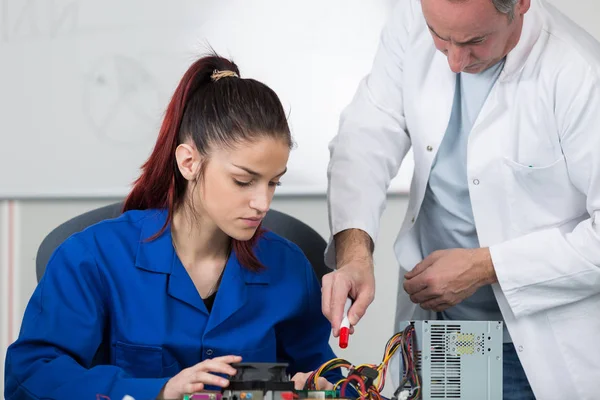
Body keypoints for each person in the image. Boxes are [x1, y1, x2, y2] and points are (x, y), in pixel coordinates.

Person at [5, 54, 337, 400]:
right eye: (243, 181)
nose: (262, 203)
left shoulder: (288, 268)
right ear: (189, 162)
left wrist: (315, 388)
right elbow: (30, 376)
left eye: (273, 183)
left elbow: (323, 372)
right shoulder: (91, 258)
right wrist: (160, 390)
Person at [321, 0, 600, 398]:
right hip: (450, 335)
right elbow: (368, 133)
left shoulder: (581, 74)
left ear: (519, 5)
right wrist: (354, 254)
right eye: (440, 37)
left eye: (474, 41)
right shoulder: (413, 18)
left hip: (543, 346)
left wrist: (485, 266)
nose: (453, 61)